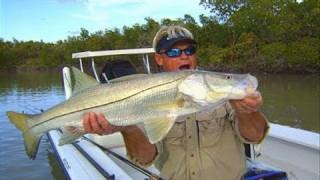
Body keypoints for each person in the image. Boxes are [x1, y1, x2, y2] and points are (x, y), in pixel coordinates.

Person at [82, 25, 268, 180]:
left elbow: (255, 136)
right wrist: (127, 127)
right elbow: (145, 158)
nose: (184, 56)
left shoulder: (222, 94)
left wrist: (246, 111)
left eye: (189, 50)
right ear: (159, 59)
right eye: (173, 51)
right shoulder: (143, 98)